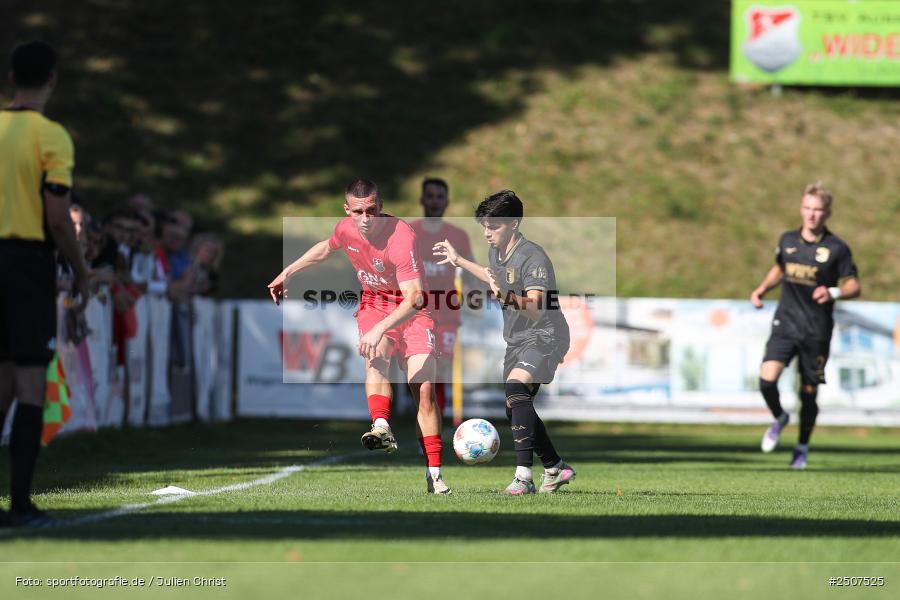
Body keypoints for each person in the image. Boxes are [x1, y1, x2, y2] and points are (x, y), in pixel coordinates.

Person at [267, 179, 451, 494]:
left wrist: (380, 328)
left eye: (372, 211)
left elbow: (416, 298)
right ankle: (381, 426)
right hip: (375, 306)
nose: (366, 219)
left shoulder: (401, 238)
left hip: (414, 312)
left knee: (423, 391)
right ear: (347, 210)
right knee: (375, 355)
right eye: (358, 212)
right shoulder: (346, 228)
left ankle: (434, 475)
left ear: (380, 206)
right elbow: (326, 248)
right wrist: (288, 272)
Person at [0, 41, 90, 527]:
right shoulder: (51, 136)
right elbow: (58, 218)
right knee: (30, 381)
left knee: (2, 383)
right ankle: (19, 504)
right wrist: (79, 269)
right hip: (24, 262)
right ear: (52, 80)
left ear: (12, 77)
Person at [433, 190, 575, 495]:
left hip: (546, 334)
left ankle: (523, 478)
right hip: (517, 339)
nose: (487, 232)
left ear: (514, 223)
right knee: (515, 407)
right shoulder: (497, 251)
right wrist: (459, 262)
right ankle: (555, 467)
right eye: (484, 225)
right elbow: (492, 275)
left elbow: (537, 309)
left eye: (493, 226)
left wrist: (504, 296)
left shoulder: (533, 257)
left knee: (516, 389)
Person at [751, 183, 860, 469]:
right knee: (766, 380)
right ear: (801, 209)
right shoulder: (787, 240)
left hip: (816, 330)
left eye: (818, 210)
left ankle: (801, 448)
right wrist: (762, 288)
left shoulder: (837, 249)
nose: (812, 215)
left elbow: (854, 285)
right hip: (786, 322)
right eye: (808, 208)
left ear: (827, 213)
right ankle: (780, 417)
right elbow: (780, 267)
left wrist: (833, 292)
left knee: (808, 393)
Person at [410, 178, 474, 419]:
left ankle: (435, 422)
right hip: (414, 314)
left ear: (447, 201)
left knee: (441, 368)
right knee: (418, 371)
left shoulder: (457, 236)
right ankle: (419, 417)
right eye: (430, 196)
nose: (435, 201)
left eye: (440, 197)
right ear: (422, 200)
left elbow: (471, 268)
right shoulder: (409, 232)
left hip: (446, 315)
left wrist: (470, 286)